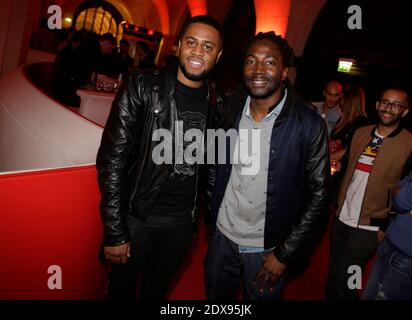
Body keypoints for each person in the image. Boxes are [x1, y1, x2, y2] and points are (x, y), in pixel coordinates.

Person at [96, 15, 224, 300]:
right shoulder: (143, 85)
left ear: (218, 55)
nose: (198, 52)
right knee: (120, 293)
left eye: (207, 46)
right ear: (178, 46)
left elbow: (213, 165)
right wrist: (115, 230)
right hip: (137, 218)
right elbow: (111, 160)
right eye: (191, 43)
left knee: (157, 293)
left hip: (181, 225)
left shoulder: (218, 101)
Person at [204, 31, 330, 300]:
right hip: (222, 240)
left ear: (284, 72)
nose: (259, 69)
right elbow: (215, 168)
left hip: (267, 250)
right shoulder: (229, 111)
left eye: (270, 61)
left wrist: (283, 255)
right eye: (251, 61)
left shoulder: (308, 124)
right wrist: (212, 220)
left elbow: (318, 196)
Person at [325, 87, 412, 300]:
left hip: (370, 226)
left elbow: (405, 190)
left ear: (405, 112)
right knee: (334, 270)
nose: (388, 108)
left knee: (351, 274)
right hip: (341, 217)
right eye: (385, 102)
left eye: (396, 105)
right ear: (377, 105)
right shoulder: (361, 132)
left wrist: (384, 225)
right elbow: (346, 170)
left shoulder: (410, 144)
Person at [362, 169, 412, 300]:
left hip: (404, 255)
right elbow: (398, 191)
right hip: (392, 241)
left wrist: (401, 193)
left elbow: (402, 200)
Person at [329, 85, 370, 199]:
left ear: (349, 101)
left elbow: (350, 150)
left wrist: (325, 157)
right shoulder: (342, 121)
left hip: (342, 174)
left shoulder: (362, 124)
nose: (338, 101)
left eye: (341, 98)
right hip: (331, 170)